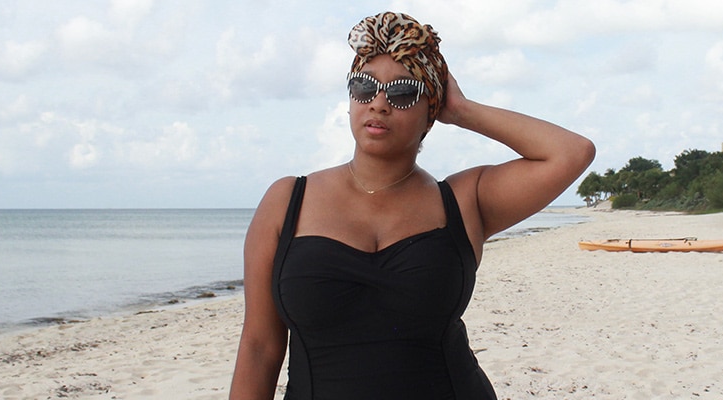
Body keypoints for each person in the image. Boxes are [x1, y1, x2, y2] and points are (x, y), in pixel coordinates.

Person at [230, 11, 594, 399]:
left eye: (403, 92)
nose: (379, 103)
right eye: (363, 87)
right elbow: (259, 347)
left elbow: (571, 153)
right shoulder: (288, 201)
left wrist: (462, 111)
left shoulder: (463, 201)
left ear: (430, 111)